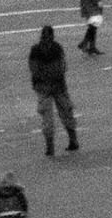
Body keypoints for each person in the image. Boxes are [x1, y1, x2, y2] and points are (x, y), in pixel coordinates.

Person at [27, 25, 79, 156]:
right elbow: (62, 67)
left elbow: (34, 69)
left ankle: (51, 147)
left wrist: (43, 78)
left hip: (44, 87)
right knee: (65, 112)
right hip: (57, 86)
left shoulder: (36, 50)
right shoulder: (56, 48)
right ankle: (72, 140)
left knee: (48, 117)